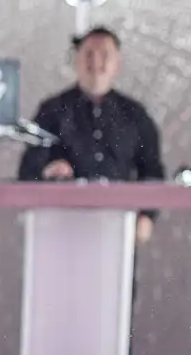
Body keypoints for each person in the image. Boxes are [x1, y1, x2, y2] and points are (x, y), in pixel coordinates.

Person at [18, 26, 165, 244]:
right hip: (60, 229)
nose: (96, 62)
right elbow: (27, 171)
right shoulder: (53, 110)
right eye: (88, 54)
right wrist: (48, 171)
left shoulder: (135, 115)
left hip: (118, 227)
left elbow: (152, 171)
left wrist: (147, 215)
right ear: (76, 60)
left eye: (105, 55)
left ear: (117, 64)